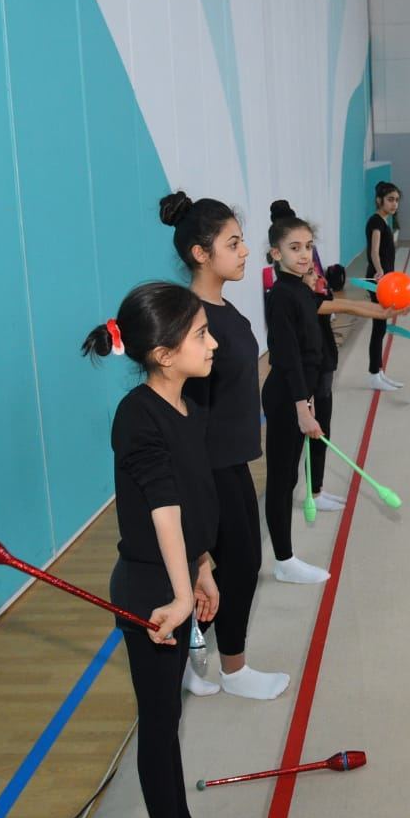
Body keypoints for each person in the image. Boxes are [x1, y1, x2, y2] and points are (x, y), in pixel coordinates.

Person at [81, 282, 246, 818]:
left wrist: (202, 569)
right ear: (163, 354)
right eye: (201, 334)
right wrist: (179, 593)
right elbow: (164, 509)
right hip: (150, 593)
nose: (212, 343)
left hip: (178, 580)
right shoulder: (136, 415)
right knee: (158, 722)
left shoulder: (188, 403)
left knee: (168, 717)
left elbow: (196, 500)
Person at [158, 191, 289, 701]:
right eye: (232, 243)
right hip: (208, 466)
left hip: (231, 458)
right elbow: (184, 410)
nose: (244, 252)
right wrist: (191, 483)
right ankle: (233, 670)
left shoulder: (222, 308)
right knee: (236, 566)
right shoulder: (192, 318)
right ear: (200, 253)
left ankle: (191, 662)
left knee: (224, 570)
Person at [263, 207, 400, 582]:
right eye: (294, 248)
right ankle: (284, 560)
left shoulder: (300, 289)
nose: (305, 254)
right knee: (281, 479)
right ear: (276, 253)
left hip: (301, 392)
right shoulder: (282, 297)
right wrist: (302, 407)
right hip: (287, 396)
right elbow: (288, 357)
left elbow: (330, 307)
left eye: (308, 246)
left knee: (288, 476)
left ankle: (285, 555)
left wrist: (374, 310)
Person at [365, 181, 405, 390]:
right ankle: (374, 374)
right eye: (390, 199)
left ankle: (379, 371)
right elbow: (374, 250)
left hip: (386, 282)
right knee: (378, 327)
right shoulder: (376, 222)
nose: (394, 204)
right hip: (378, 282)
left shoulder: (384, 221)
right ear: (380, 200)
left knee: (380, 329)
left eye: (397, 200)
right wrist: (380, 272)